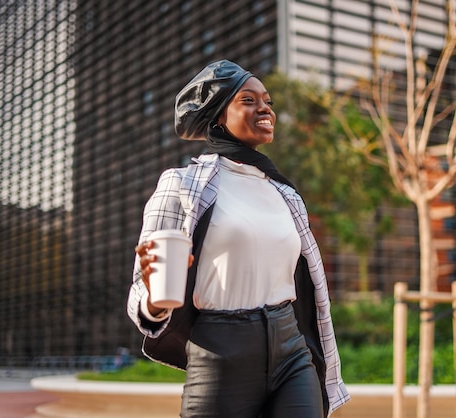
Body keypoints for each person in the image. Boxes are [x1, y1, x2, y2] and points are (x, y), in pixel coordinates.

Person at [127, 59, 349, 418]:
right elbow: (143, 285)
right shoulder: (183, 185)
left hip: (290, 345)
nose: (265, 108)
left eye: (268, 101)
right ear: (218, 116)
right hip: (222, 349)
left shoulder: (285, 195)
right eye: (248, 100)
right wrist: (153, 301)